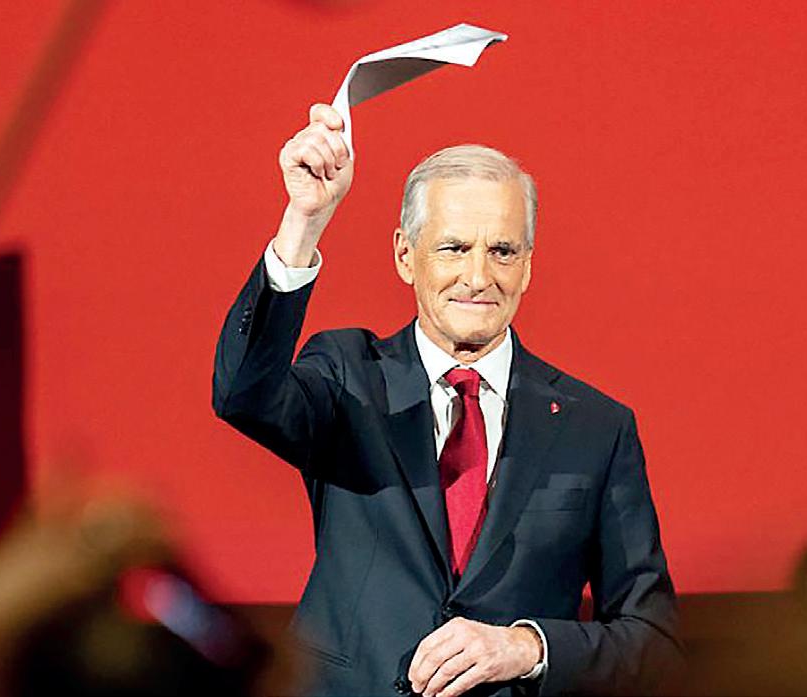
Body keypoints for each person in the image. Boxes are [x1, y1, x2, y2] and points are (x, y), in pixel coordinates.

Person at [213, 104, 681, 696]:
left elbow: (653, 642)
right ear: (405, 256)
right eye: (454, 248)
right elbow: (243, 394)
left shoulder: (597, 428)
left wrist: (527, 648)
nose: (479, 276)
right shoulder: (348, 377)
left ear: (528, 267)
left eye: (502, 251)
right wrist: (304, 220)